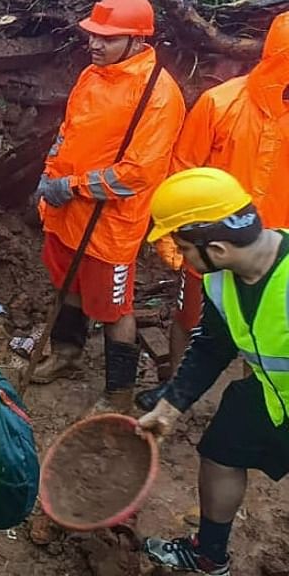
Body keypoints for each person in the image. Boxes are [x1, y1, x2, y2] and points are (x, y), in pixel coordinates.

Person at [30, 0, 185, 413]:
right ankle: (66, 352)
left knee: (114, 310)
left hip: (109, 223)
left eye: (107, 37)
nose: (95, 44)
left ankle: (118, 393)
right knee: (67, 284)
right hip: (66, 213)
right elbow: (68, 131)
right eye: (93, 35)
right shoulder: (93, 75)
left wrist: (74, 186)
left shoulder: (159, 95)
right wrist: (50, 171)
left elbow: (138, 173)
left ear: (137, 40)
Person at [138, 167, 289, 576]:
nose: (180, 257)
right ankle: (209, 554)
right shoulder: (222, 281)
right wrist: (170, 407)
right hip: (272, 395)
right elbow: (212, 346)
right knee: (221, 452)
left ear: (217, 248)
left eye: (183, 247)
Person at [137, 11, 289, 410]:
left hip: (276, 252)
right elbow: (184, 167)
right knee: (190, 317)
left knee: (269, 331)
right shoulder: (220, 103)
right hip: (208, 240)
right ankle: (172, 389)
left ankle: (256, 399)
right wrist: (174, 236)